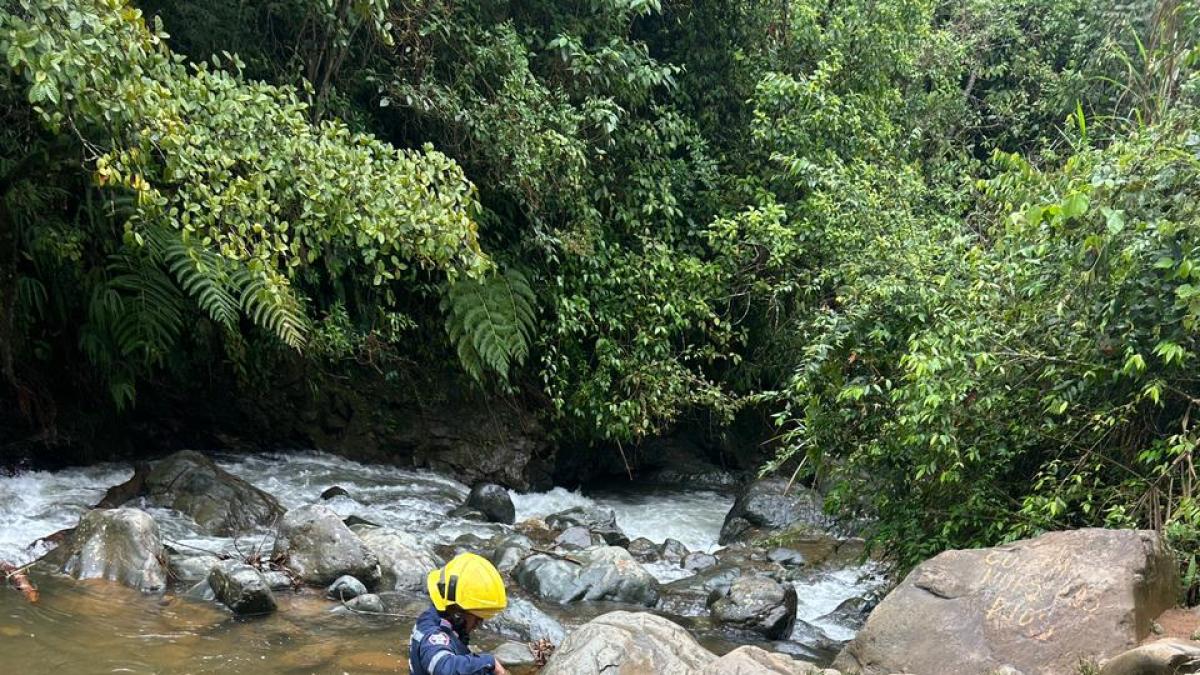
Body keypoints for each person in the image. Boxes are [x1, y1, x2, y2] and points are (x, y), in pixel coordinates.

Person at [409, 552, 510, 675]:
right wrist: (488, 661)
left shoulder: (451, 625)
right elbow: (442, 668)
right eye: (477, 618)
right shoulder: (433, 633)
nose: (478, 624)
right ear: (458, 612)